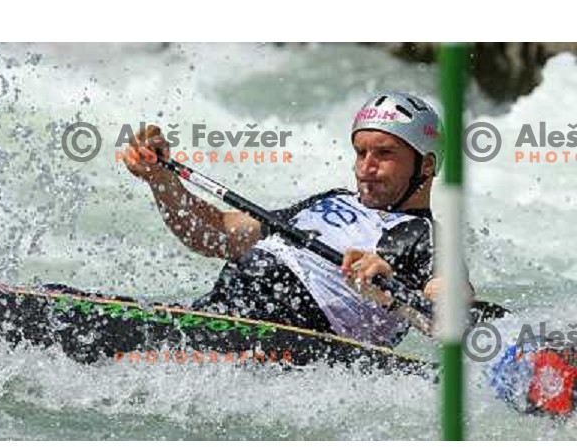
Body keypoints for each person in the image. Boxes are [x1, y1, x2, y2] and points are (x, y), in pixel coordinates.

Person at [123, 91, 464, 347]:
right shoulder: (331, 199)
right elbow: (218, 235)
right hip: (223, 315)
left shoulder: (427, 236)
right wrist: (163, 181)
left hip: (295, 340)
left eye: (384, 153)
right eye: (361, 152)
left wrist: (391, 295)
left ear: (428, 165)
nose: (366, 166)